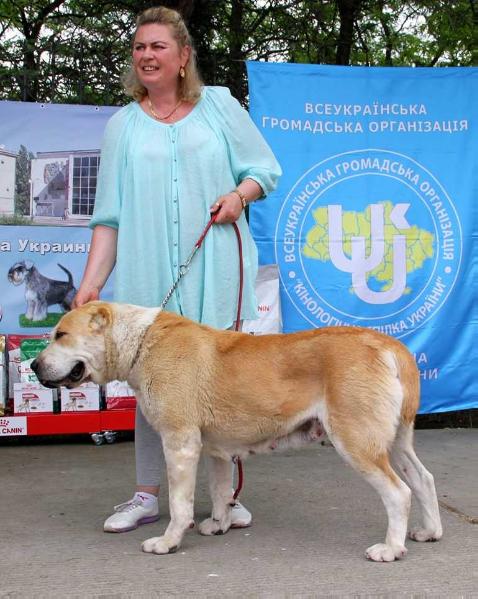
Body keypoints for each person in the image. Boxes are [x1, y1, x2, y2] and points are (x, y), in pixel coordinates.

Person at [73, 6, 281, 533]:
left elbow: (265, 169)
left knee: (222, 382)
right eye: (140, 47)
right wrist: (92, 284)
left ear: (183, 56)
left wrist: (239, 194)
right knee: (151, 386)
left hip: (215, 262)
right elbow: (109, 217)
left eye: (158, 46)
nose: (146, 55)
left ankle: (225, 500)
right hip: (147, 272)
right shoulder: (122, 125)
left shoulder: (219, 106)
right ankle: (145, 496)